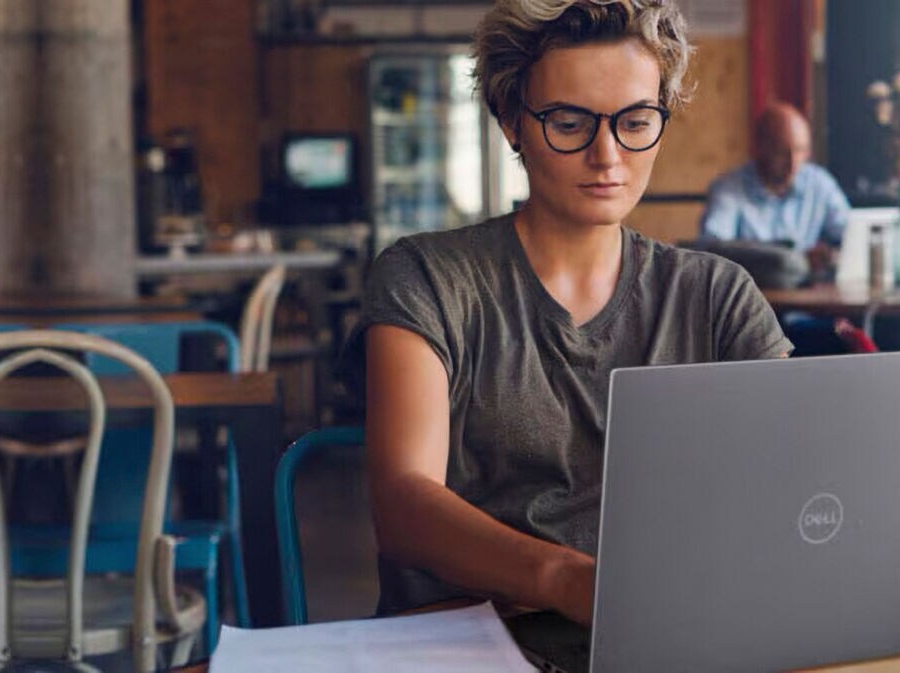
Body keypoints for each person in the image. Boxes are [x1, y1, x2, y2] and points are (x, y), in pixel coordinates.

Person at [341, 0, 793, 627]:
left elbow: (795, 481)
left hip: (662, 634)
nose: (607, 155)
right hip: (467, 639)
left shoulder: (718, 298)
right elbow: (403, 507)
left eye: (635, 121)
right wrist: (567, 580)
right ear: (511, 123)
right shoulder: (429, 280)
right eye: (570, 122)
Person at [699, 103, 850, 276]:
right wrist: (796, 260)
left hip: (808, 297)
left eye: (800, 150)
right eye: (782, 152)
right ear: (759, 148)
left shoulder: (820, 184)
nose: (793, 163)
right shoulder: (729, 188)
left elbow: (850, 233)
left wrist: (831, 255)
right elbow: (713, 248)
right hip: (750, 296)